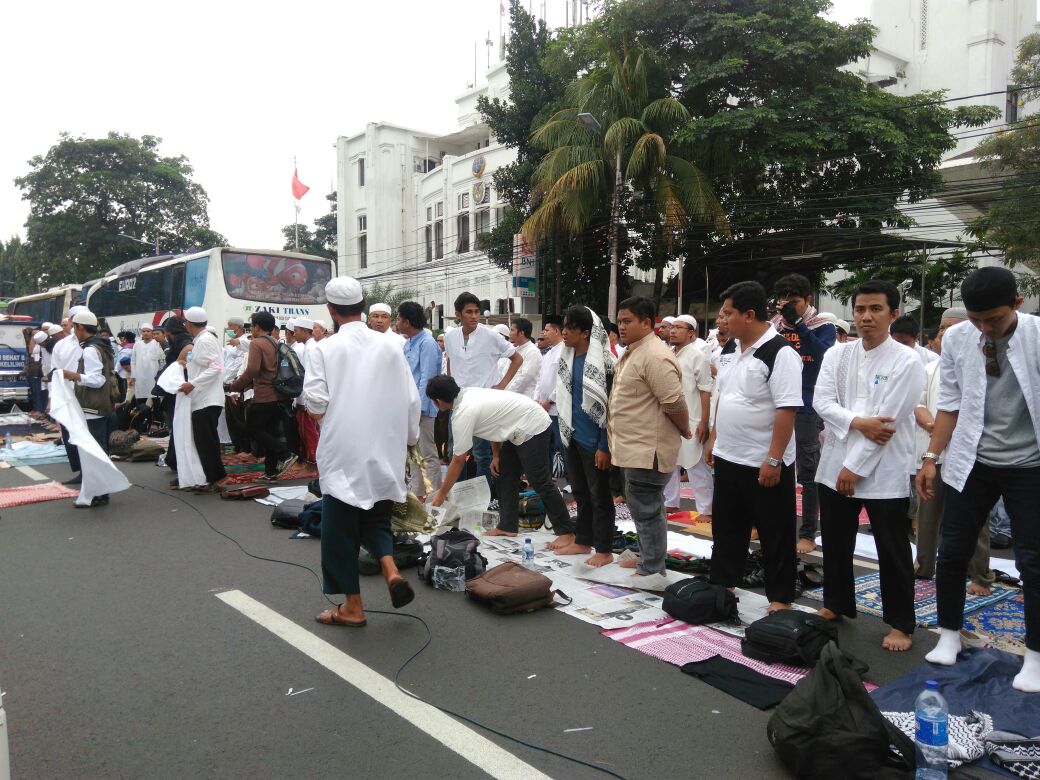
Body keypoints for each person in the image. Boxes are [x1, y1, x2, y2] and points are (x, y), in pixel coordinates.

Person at [917, 266, 1040, 691]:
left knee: (1032, 560)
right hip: (973, 459)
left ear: (1017, 305)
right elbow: (949, 403)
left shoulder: (1037, 335)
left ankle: (1035, 655)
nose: (985, 328)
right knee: (953, 551)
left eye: (995, 319)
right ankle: (949, 633)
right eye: (977, 320)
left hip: (1030, 463)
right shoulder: (957, 338)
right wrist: (931, 457)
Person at [812, 279, 926, 652]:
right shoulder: (837, 355)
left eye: (875, 309)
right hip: (835, 463)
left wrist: (855, 467)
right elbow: (822, 402)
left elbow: (887, 422)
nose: (866, 317)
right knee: (836, 540)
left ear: (893, 314)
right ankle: (836, 603)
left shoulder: (907, 360)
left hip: (884, 467)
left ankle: (900, 623)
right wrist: (859, 422)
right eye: (860, 309)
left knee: (891, 548)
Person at [304, 276, 419, 626]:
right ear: (364, 306)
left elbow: (315, 403)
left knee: (339, 529)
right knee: (376, 516)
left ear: (331, 310)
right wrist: (409, 439)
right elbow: (411, 400)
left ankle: (352, 607)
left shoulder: (323, 348)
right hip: (385, 446)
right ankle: (390, 570)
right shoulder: (392, 346)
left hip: (344, 448)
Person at [707, 281, 802, 612]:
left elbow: (786, 409)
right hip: (729, 455)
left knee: (775, 532)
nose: (722, 320)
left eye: (728, 314)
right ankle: (723, 586)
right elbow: (724, 397)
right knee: (727, 528)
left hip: (763, 461)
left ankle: (780, 598)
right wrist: (714, 438)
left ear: (748, 315)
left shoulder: (780, 353)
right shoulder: (729, 350)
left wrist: (774, 460)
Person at [426, 375, 574, 545]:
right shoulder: (468, 394)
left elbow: (458, 460)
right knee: (503, 473)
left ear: (438, 401)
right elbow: (494, 424)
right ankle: (507, 526)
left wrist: (441, 495)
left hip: (533, 424)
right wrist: (496, 455)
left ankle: (566, 532)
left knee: (539, 481)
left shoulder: (463, 412)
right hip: (517, 426)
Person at [913, 307, 994, 594]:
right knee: (927, 515)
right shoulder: (930, 368)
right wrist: (934, 426)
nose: (945, 333)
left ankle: (980, 576)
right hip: (933, 451)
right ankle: (923, 568)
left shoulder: (983, 364)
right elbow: (917, 403)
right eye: (941, 328)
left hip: (969, 454)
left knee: (975, 518)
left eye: (952, 327)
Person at [608, 296, 691, 577]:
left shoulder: (654, 355)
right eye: (620, 321)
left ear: (647, 323)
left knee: (647, 510)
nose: (621, 326)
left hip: (648, 449)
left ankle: (652, 568)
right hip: (634, 447)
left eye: (627, 321)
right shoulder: (634, 351)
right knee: (641, 508)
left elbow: (674, 402)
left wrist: (684, 427)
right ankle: (648, 558)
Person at [770, 273, 838, 555]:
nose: (788, 308)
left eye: (795, 302)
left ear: (808, 299)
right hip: (776, 403)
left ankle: (808, 532)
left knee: (808, 471)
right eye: (784, 303)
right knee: (772, 463)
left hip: (807, 404)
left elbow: (825, 357)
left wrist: (799, 325)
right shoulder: (774, 326)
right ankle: (768, 524)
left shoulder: (823, 325)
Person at [552, 306, 616, 565]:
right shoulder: (567, 359)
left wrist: (604, 446)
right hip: (572, 436)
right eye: (564, 327)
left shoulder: (603, 365)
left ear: (586, 332)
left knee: (600, 497)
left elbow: (608, 408)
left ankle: (604, 549)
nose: (564, 332)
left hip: (594, 442)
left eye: (570, 328)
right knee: (580, 492)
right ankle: (583, 540)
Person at [443, 292, 522, 480]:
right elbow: (450, 360)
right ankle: (459, 492)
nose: (474, 316)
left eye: (476, 311)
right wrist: (451, 384)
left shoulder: (490, 335)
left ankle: (484, 494)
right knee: (455, 451)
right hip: (459, 402)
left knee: (481, 454)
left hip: (483, 403)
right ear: (458, 314)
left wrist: (502, 385)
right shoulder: (450, 337)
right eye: (469, 312)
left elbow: (517, 358)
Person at [229, 311, 297, 481]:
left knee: (252, 428)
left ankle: (285, 454)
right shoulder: (275, 342)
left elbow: (252, 369)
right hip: (279, 395)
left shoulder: (257, 343)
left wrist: (235, 386)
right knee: (270, 433)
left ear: (257, 327)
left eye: (252, 326)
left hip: (264, 395)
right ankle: (270, 472)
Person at [61, 310, 116, 507]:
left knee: (93, 452)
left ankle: (98, 493)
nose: (73, 332)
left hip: (92, 407)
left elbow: (97, 379)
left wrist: (73, 375)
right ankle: (98, 492)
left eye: (74, 327)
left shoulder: (91, 349)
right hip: (98, 405)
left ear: (80, 327)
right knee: (96, 451)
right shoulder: (100, 346)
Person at [664, 314, 714, 518]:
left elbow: (705, 391)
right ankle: (671, 502)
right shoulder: (668, 354)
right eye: (672, 327)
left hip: (693, 419)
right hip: (671, 419)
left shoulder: (697, 356)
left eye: (679, 327)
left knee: (695, 465)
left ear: (691, 333)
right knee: (670, 463)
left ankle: (706, 509)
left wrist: (704, 422)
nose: (673, 331)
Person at [179, 307, 228, 493]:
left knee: (206, 441)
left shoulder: (205, 340)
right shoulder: (201, 339)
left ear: (189, 324)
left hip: (207, 399)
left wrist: (193, 383)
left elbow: (216, 367)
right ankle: (212, 477)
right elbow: (204, 365)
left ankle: (218, 478)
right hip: (203, 398)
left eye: (186, 323)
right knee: (206, 440)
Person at [398, 301, 443, 497]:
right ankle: (417, 495)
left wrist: (419, 408)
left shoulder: (427, 343)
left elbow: (427, 378)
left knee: (427, 453)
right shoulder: (409, 342)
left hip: (422, 409)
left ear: (407, 322)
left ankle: (434, 499)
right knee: (414, 455)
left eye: (398, 318)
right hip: (410, 407)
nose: (397, 322)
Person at [52, 306, 87, 484]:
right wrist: (53, 397)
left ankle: (92, 473)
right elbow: (54, 372)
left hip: (89, 396)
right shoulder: (62, 345)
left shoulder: (95, 344)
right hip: (67, 395)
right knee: (69, 435)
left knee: (89, 434)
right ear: (72, 321)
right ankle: (81, 471)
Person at [535, 315, 567, 479]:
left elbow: (563, 380)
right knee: (545, 446)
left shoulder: (564, 350)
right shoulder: (548, 354)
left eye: (547, 330)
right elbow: (540, 379)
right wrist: (537, 399)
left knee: (562, 445)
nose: (544, 333)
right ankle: (547, 478)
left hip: (556, 408)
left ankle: (570, 481)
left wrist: (550, 399)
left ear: (556, 331)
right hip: (543, 407)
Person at [505, 318, 542, 398]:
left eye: (512, 330)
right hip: (509, 396)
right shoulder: (515, 349)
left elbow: (525, 378)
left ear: (521, 333)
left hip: (523, 397)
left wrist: (508, 394)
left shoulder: (532, 351)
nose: (509, 333)